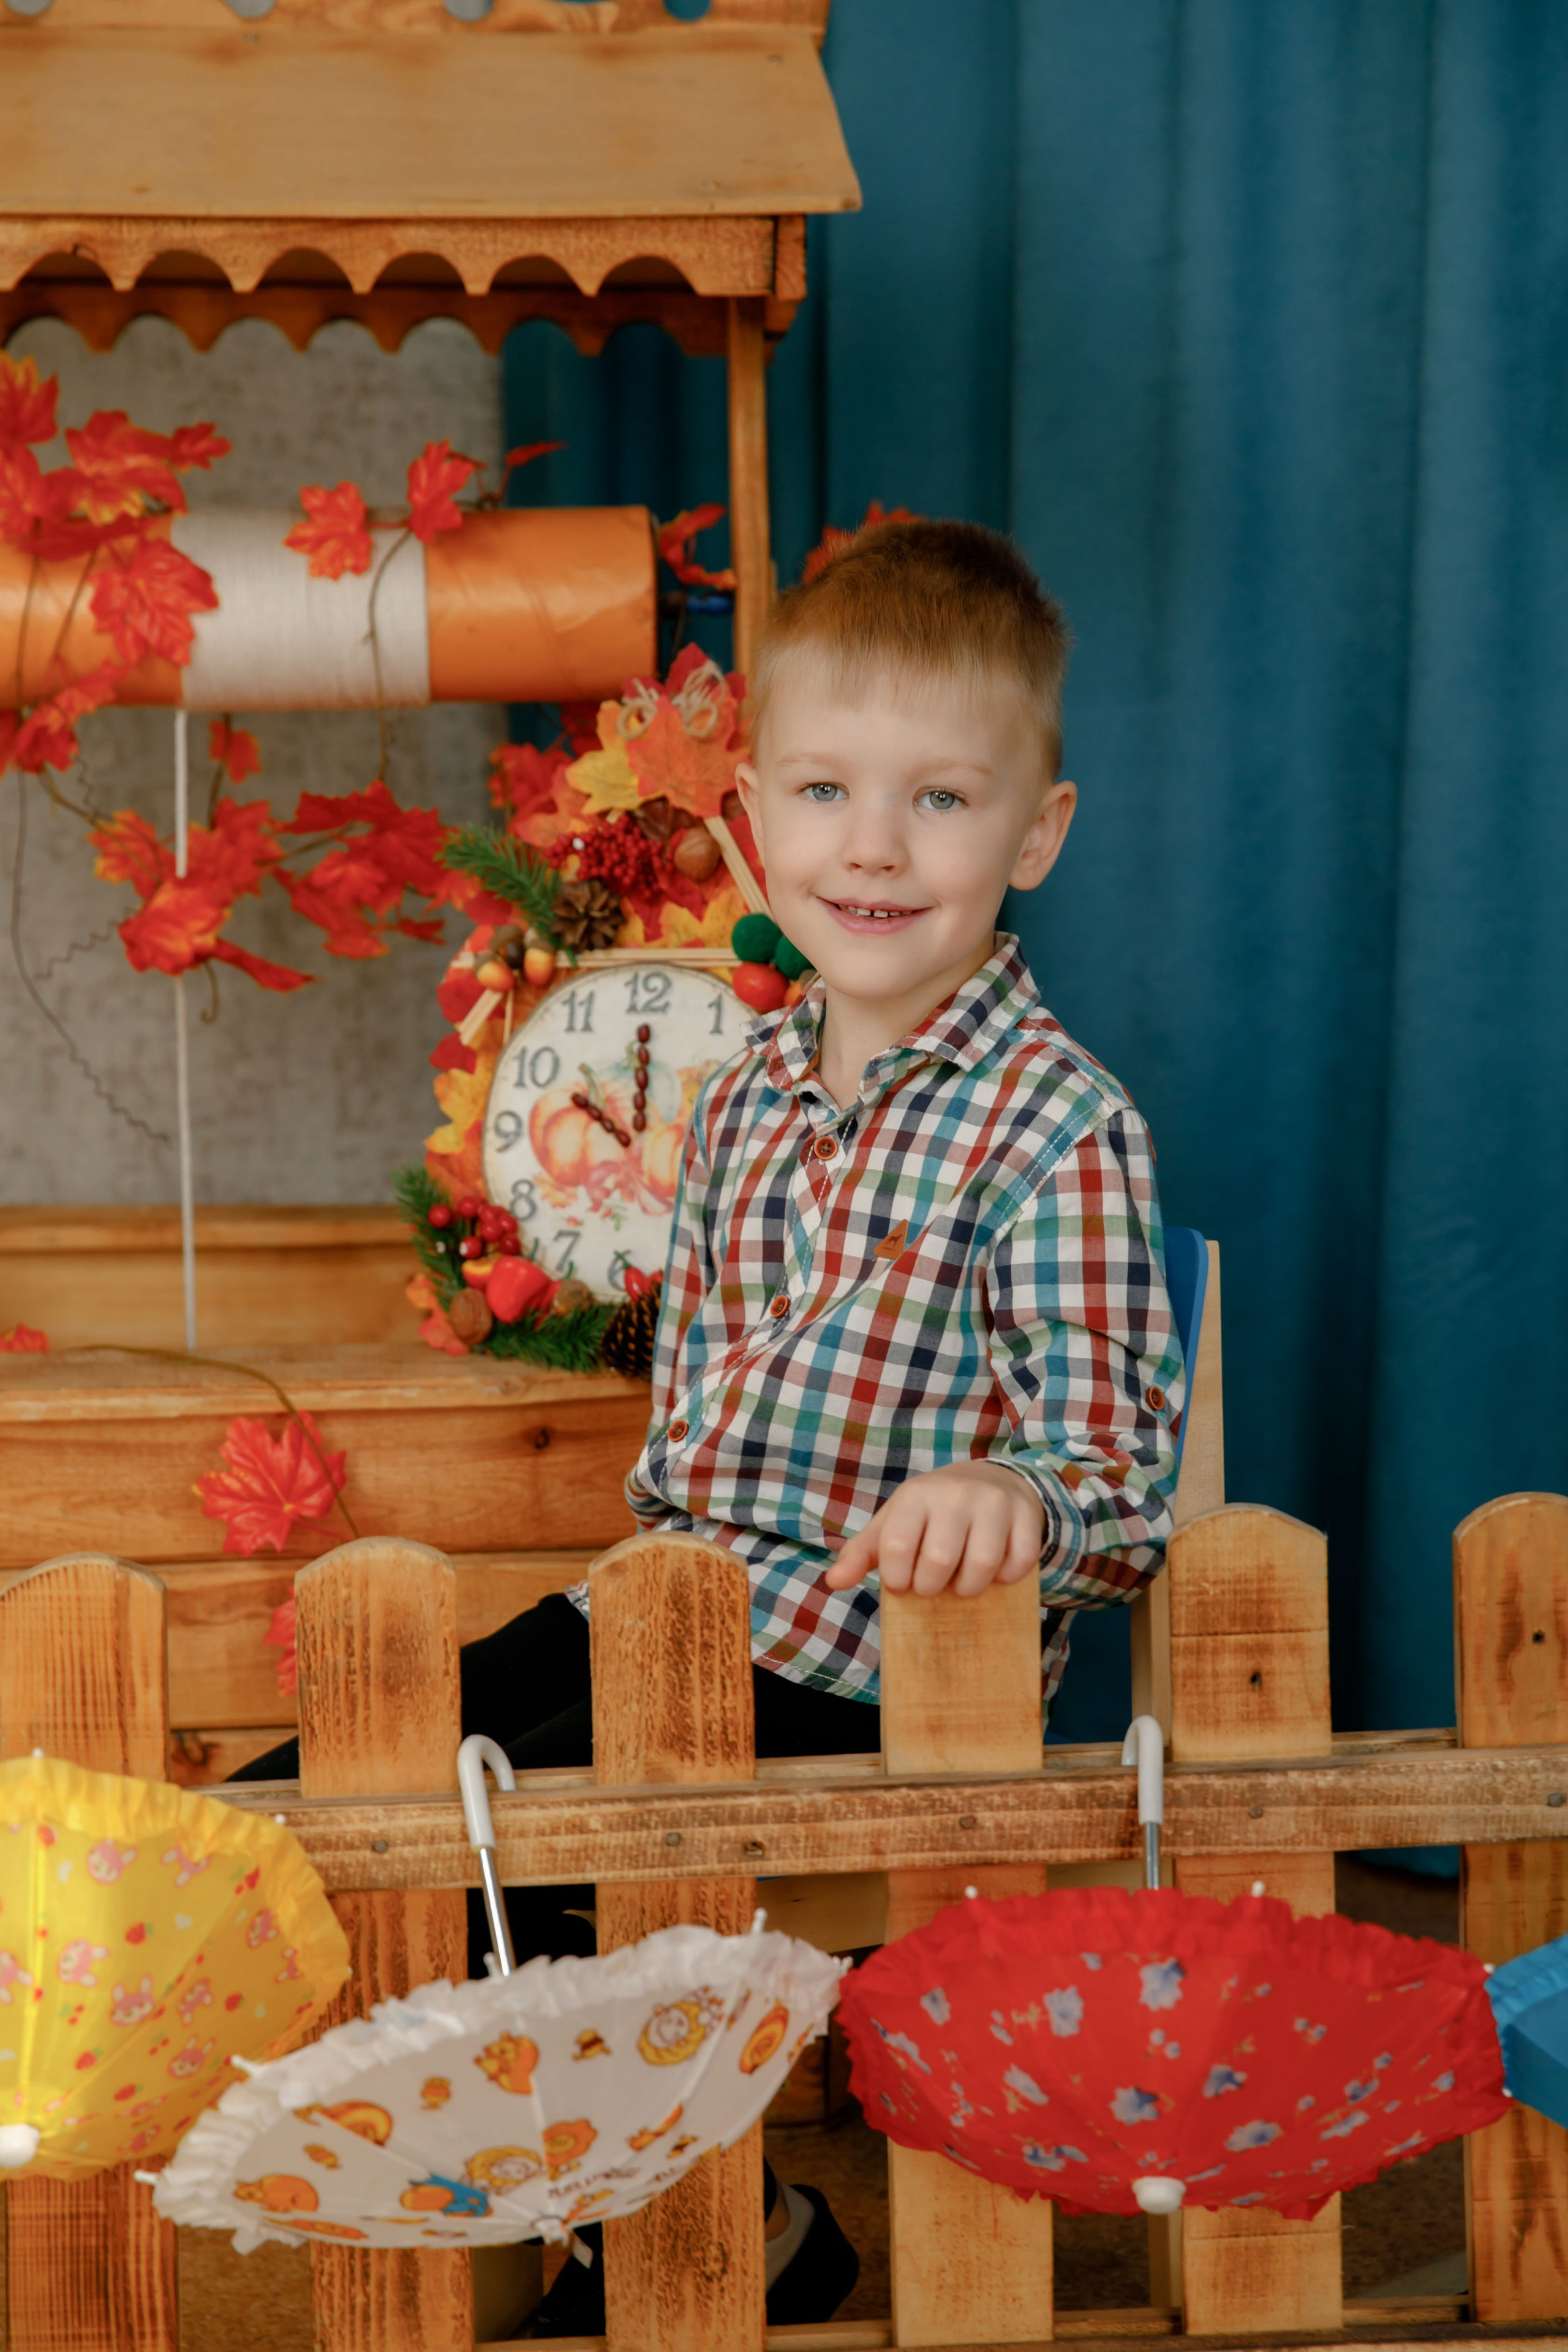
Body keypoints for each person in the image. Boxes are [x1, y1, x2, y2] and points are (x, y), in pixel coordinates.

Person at [237, 518, 1182, 2330]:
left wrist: (1009, 1491)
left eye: (942, 800)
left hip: (856, 1671)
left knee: (536, 1870)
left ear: (1037, 833)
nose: (876, 847)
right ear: (751, 822)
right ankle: (623, 2202)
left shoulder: (1058, 1127)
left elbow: (1120, 1469)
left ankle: (719, 2242)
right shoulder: (746, 1090)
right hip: (659, 1613)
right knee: (332, 1810)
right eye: (827, 791)